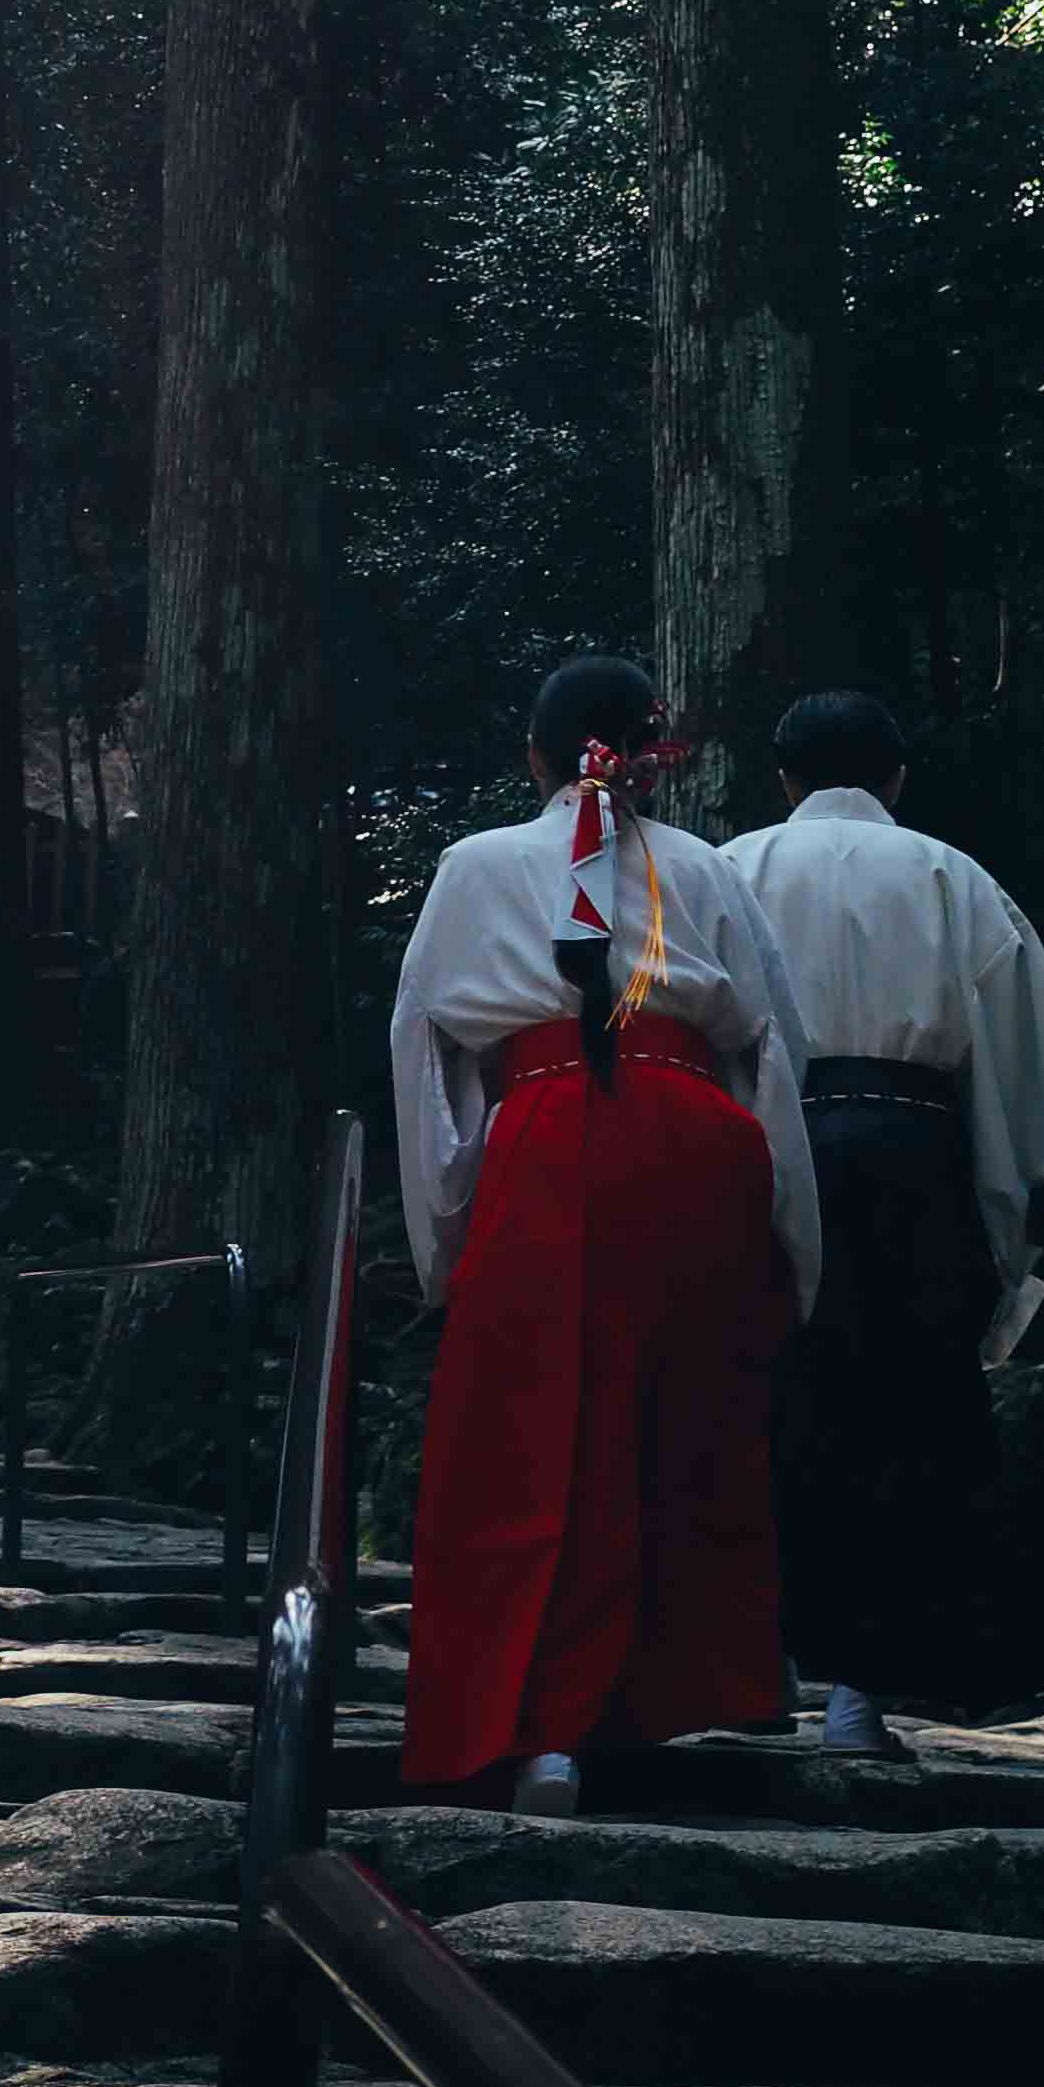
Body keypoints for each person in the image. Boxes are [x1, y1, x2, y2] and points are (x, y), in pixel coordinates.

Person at [394, 652, 819, 1816]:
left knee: (534, 1432)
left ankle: (538, 1728)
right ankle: (656, 1702)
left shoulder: (474, 867)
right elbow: (769, 1046)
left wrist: (446, 1233)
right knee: (682, 1421)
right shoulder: (705, 871)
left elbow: (430, 1058)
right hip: (696, 1138)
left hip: (545, 1131)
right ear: (647, 755)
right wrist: (790, 1226)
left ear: (536, 755)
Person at [726, 690, 1044, 1757]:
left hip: (772, 1149)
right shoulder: (953, 878)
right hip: (914, 1157)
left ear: (783, 776)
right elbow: (1025, 1066)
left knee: (767, 1399)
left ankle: (753, 1661)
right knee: (902, 1415)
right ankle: (859, 1691)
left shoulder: (729, 870)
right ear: (896, 777)